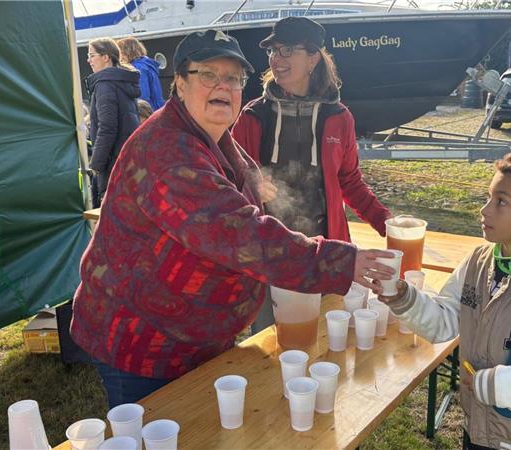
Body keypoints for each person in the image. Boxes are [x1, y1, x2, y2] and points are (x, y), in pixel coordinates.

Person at [70, 29, 396, 408]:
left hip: (190, 338)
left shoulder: (215, 134)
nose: (222, 86)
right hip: (142, 342)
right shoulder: (166, 149)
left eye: (233, 78)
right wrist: (343, 260)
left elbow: (251, 186)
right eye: (208, 74)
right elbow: (240, 233)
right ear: (179, 83)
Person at [377, 151, 511, 450]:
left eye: (501, 202)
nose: (484, 210)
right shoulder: (477, 262)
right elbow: (445, 321)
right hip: (479, 430)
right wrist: (404, 297)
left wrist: (495, 385)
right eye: (489, 197)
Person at [232, 16, 392, 331]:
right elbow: (230, 178)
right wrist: (251, 184)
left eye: (288, 50)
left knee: (326, 342)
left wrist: (389, 224)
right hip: (270, 256)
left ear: (314, 58)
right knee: (272, 344)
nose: (277, 59)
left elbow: (350, 181)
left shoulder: (339, 117)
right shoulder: (253, 116)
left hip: (327, 253)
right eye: (273, 51)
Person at [86, 38, 140, 207]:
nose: (88, 60)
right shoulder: (123, 82)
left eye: (92, 55)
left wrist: (96, 163)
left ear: (106, 57)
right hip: (129, 160)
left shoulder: (105, 85)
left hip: (112, 164)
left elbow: (107, 127)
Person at [118, 36, 165, 110]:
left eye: (120, 53)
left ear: (127, 52)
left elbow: (142, 96)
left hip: (147, 112)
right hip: (157, 108)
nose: (120, 58)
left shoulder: (138, 68)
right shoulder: (148, 65)